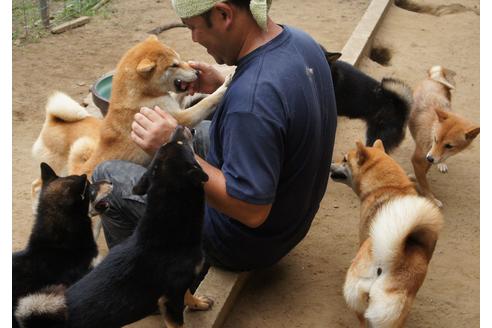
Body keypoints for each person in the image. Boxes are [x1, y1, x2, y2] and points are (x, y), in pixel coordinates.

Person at [93, 0, 337, 274]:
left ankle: (142, 284)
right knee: (201, 131)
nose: (194, 39)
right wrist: (225, 84)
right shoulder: (301, 42)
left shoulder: (252, 101)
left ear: (223, 14)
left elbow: (251, 211)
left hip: (243, 242)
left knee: (107, 176)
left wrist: (172, 147)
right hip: (291, 219)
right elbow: (277, 104)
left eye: (194, 27)